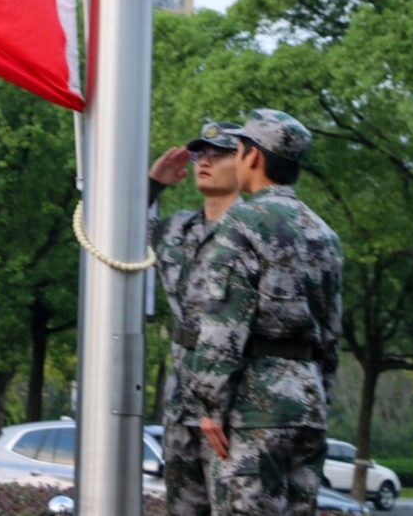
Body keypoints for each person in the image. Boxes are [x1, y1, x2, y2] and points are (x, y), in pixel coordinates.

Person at [188, 109, 344, 516]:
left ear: (252, 155)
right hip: (308, 405)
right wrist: (319, 398)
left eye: (239, 148)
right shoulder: (324, 233)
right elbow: (331, 334)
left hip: (255, 408)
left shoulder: (243, 222)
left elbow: (224, 321)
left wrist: (210, 405)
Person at [146, 121, 244, 516]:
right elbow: (112, 229)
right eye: (201, 153)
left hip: (234, 403)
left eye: (219, 154)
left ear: (246, 162)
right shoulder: (177, 229)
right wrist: (152, 185)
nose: (205, 160)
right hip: (181, 399)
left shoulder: (256, 230)